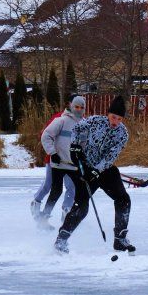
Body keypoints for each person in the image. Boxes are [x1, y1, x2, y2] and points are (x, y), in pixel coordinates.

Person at [54, 95, 133, 254]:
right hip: (85, 167)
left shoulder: (123, 134)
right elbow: (76, 128)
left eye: (119, 119)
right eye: (113, 117)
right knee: (82, 207)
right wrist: (75, 146)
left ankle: (120, 239)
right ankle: (61, 240)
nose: (115, 121)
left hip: (105, 170)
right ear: (108, 114)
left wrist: (97, 170)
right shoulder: (95, 120)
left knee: (123, 199)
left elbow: (111, 155)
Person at [37, 96, 85, 229]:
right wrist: (52, 153)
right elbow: (46, 136)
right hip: (58, 164)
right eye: (76, 106)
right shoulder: (62, 120)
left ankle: (69, 216)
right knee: (56, 191)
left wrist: (83, 157)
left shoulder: (84, 124)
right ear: (71, 106)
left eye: (81, 107)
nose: (79, 109)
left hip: (73, 165)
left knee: (76, 190)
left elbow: (85, 144)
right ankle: (44, 218)